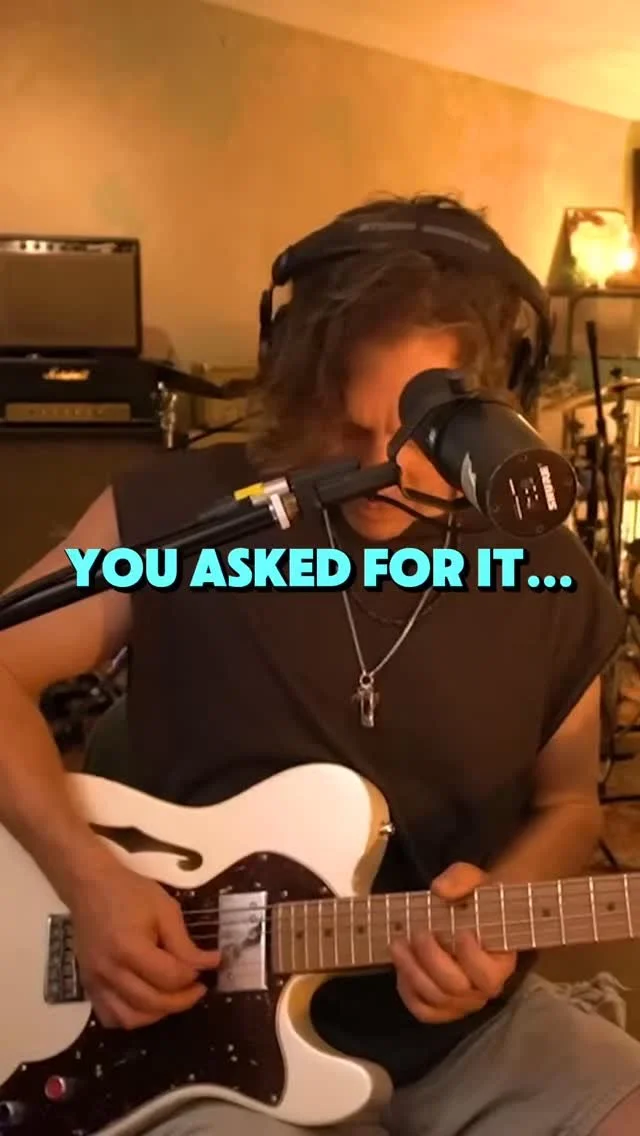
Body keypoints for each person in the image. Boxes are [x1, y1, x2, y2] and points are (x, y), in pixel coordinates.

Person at [0, 193, 639, 1136]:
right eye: (345, 427)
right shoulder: (181, 514)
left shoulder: (546, 568)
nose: (383, 467)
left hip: (463, 1037)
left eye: (423, 432)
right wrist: (88, 881)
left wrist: (500, 911)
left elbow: (569, 805)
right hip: (177, 1034)